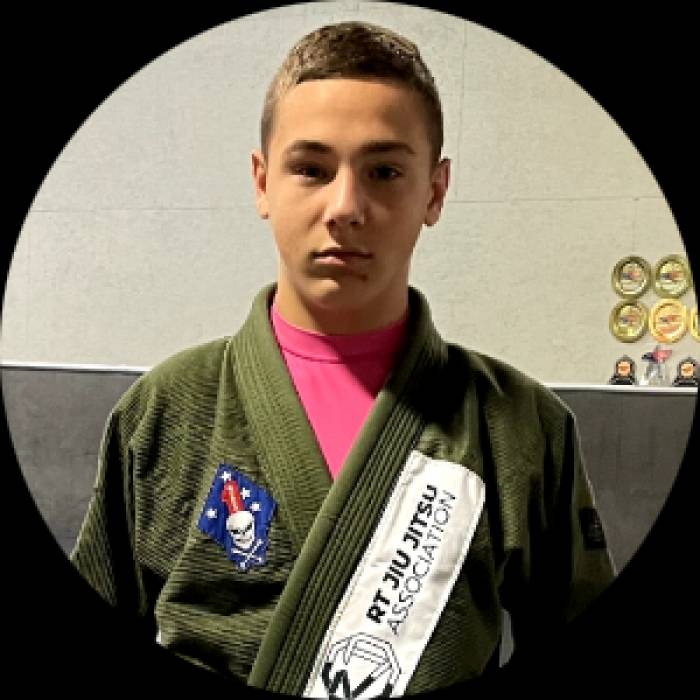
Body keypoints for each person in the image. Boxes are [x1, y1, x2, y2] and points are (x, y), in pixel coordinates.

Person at [70, 21, 615, 696]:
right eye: (311, 169)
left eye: (384, 172)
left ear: (434, 191)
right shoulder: (166, 408)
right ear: (263, 183)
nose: (346, 206)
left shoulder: (521, 426)